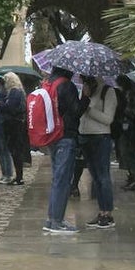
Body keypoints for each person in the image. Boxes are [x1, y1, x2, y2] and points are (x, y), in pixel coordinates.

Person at [44, 66, 88, 234]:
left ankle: (51, 219)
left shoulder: (49, 83)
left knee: (57, 178)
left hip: (52, 136)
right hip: (65, 136)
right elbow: (76, 111)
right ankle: (57, 222)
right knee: (63, 180)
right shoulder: (66, 85)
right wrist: (85, 97)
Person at [78, 75, 118, 228]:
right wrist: (83, 99)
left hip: (101, 137)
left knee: (103, 176)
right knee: (95, 176)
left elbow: (108, 119)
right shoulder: (86, 92)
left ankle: (108, 213)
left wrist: (88, 108)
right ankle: (101, 211)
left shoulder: (107, 92)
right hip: (85, 137)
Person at [116, 74, 135, 191]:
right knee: (127, 153)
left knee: (130, 154)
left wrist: (122, 110)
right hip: (128, 128)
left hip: (131, 129)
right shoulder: (128, 94)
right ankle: (132, 177)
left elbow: (134, 112)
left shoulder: (131, 94)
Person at [0, 71, 29, 185]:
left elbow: (11, 108)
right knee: (16, 150)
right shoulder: (17, 92)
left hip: (14, 124)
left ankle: (19, 177)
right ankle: (18, 176)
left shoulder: (14, 92)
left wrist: (0, 104)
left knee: (15, 151)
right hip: (16, 123)